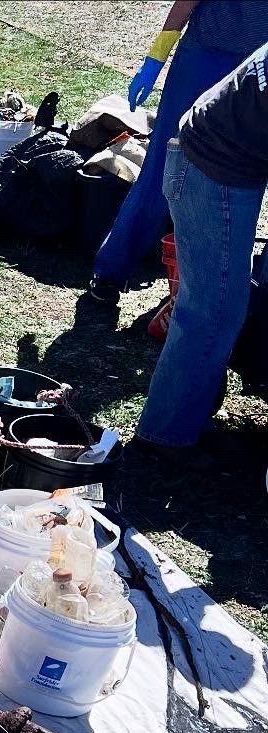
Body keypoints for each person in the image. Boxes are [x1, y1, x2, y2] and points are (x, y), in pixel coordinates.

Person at [133, 41, 268, 451]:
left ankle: (192, 408)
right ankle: (162, 439)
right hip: (211, 168)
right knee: (212, 311)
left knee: (217, 306)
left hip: (225, 155)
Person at [88, 0, 268, 306]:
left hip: (258, 74)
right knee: (162, 166)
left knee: (247, 177)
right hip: (204, 59)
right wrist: (155, 58)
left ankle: (218, 290)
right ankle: (111, 271)